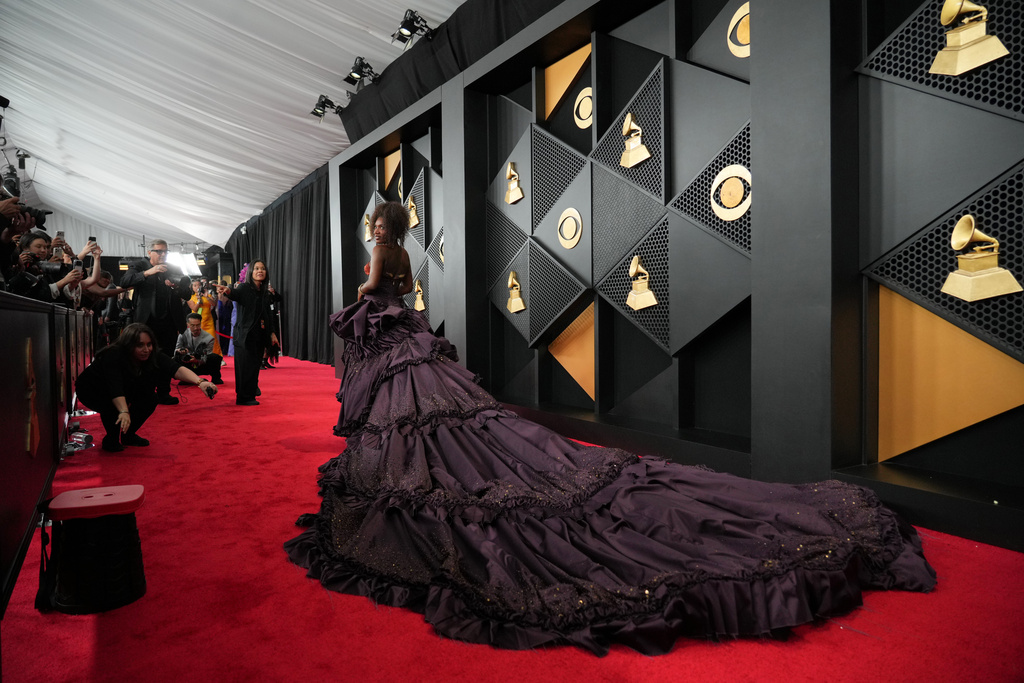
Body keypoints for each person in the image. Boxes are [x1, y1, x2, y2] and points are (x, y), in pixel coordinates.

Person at [284, 201, 937, 655]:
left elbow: (375, 293)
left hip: (397, 345)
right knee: (447, 427)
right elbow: (405, 296)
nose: (373, 225)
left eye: (375, 220)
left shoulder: (380, 250)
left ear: (381, 225)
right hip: (412, 340)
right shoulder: (403, 249)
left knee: (430, 439)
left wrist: (358, 307)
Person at [75, 323, 219, 452]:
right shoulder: (113, 354)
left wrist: (200, 382)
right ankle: (111, 439)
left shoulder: (152, 354)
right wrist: (124, 411)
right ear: (128, 345)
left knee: (150, 398)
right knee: (113, 406)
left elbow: (175, 368)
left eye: (149, 344)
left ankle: (128, 435)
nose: (146, 349)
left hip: (121, 388)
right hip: (93, 390)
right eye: (140, 345)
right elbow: (115, 386)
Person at [121, 239, 192, 404]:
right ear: (149, 252)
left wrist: (177, 287)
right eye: (159, 251)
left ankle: (163, 392)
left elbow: (187, 295)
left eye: (165, 251)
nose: (162, 254)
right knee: (143, 357)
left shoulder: (173, 268)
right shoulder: (139, 265)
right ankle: (144, 392)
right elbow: (124, 282)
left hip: (169, 321)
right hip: (146, 321)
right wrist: (148, 273)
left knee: (166, 357)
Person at [216, 260, 278, 406]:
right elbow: (235, 294)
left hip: (259, 334)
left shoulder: (263, 292)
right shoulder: (244, 287)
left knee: (254, 366)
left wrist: (272, 333)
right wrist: (228, 291)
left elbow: (267, 314)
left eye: (262, 268)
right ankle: (243, 397)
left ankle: (250, 393)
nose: (260, 271)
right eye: (256, 268)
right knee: (244, 367)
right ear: (251, 272)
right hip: (244, 335)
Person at [175, 313, 224, 384]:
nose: (195, 328)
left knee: (215, 357)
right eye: (192, 325)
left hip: (201, 364)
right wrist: (180, 351)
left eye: (198, 325)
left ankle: (216, 378)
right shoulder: (182, 335)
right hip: (186, 364)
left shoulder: (209, 338)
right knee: (176, 357)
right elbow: (176, 350)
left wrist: (197, 360)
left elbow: (207, 356)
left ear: (200, 324)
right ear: (187, 324)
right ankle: (185, 378)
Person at [187, 279, 223, 356]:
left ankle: (217, 356)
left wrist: (207, 297)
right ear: (192, 287)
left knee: (212, 339)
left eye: (199, 285)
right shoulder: (190, 298)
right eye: (195, 285)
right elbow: (195, 309)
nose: (197, 287)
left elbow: (213, 304)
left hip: (208, 321)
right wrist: (198, 300)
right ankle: (199, 356)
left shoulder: (207, 295)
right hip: (197, 323)